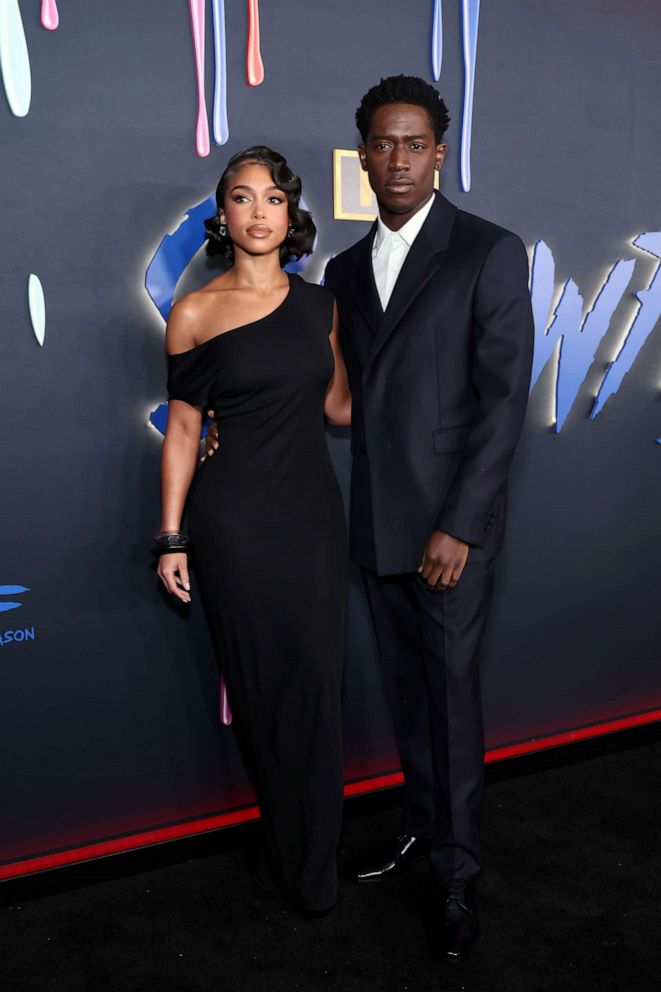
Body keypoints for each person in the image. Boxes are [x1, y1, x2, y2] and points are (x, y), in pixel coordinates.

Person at [326, 75, 534, 959]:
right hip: (376, 521)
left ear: (438, 153)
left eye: (414, 143)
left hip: (448, 533)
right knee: (407, 694)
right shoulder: (340, 268)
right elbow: (341, 399)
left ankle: (457, 876)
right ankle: (421, 827)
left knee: (449, 702)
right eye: (382, 143)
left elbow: (500, 400)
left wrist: (459, 526)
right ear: (362, 155)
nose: (397, 158)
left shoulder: (487, 249)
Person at [156, 146, 351, 916]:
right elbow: (181, 431)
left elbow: (339, 408)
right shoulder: (194, 312)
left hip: (311, 519)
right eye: (242, 197)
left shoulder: (321, 307)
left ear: (291, 213)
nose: (259, 211)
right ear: (224, 216)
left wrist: (423, 381)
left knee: (315, 691)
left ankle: (312, 865)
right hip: (232, 522)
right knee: (264, 696)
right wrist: (170, 536)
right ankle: (286, 857)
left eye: (273, 197)